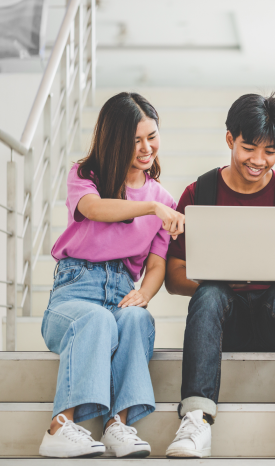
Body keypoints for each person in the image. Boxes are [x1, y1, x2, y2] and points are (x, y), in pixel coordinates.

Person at [164, 93, 275, 459]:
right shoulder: (199, 193)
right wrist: (219, 278)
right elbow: (173, 278)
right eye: (250, 148)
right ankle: (196, 419)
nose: (259, 161)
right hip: (223, 322)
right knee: (210, 293)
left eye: (271, 151)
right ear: (230, 139)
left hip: (274, 324)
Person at [39, 92, 182, 459]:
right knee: (98, 320)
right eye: (135, 140)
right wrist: (150, 207)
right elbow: (94, 209)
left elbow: (156, 263)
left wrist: (145, 294)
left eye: (151, 136)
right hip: (73, 294)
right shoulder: (86, 176)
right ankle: (60, 426)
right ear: (114, 140)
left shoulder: (164, 199)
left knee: (136, 318)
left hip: (120, 290)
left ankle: (118, 424)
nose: (146, 147)